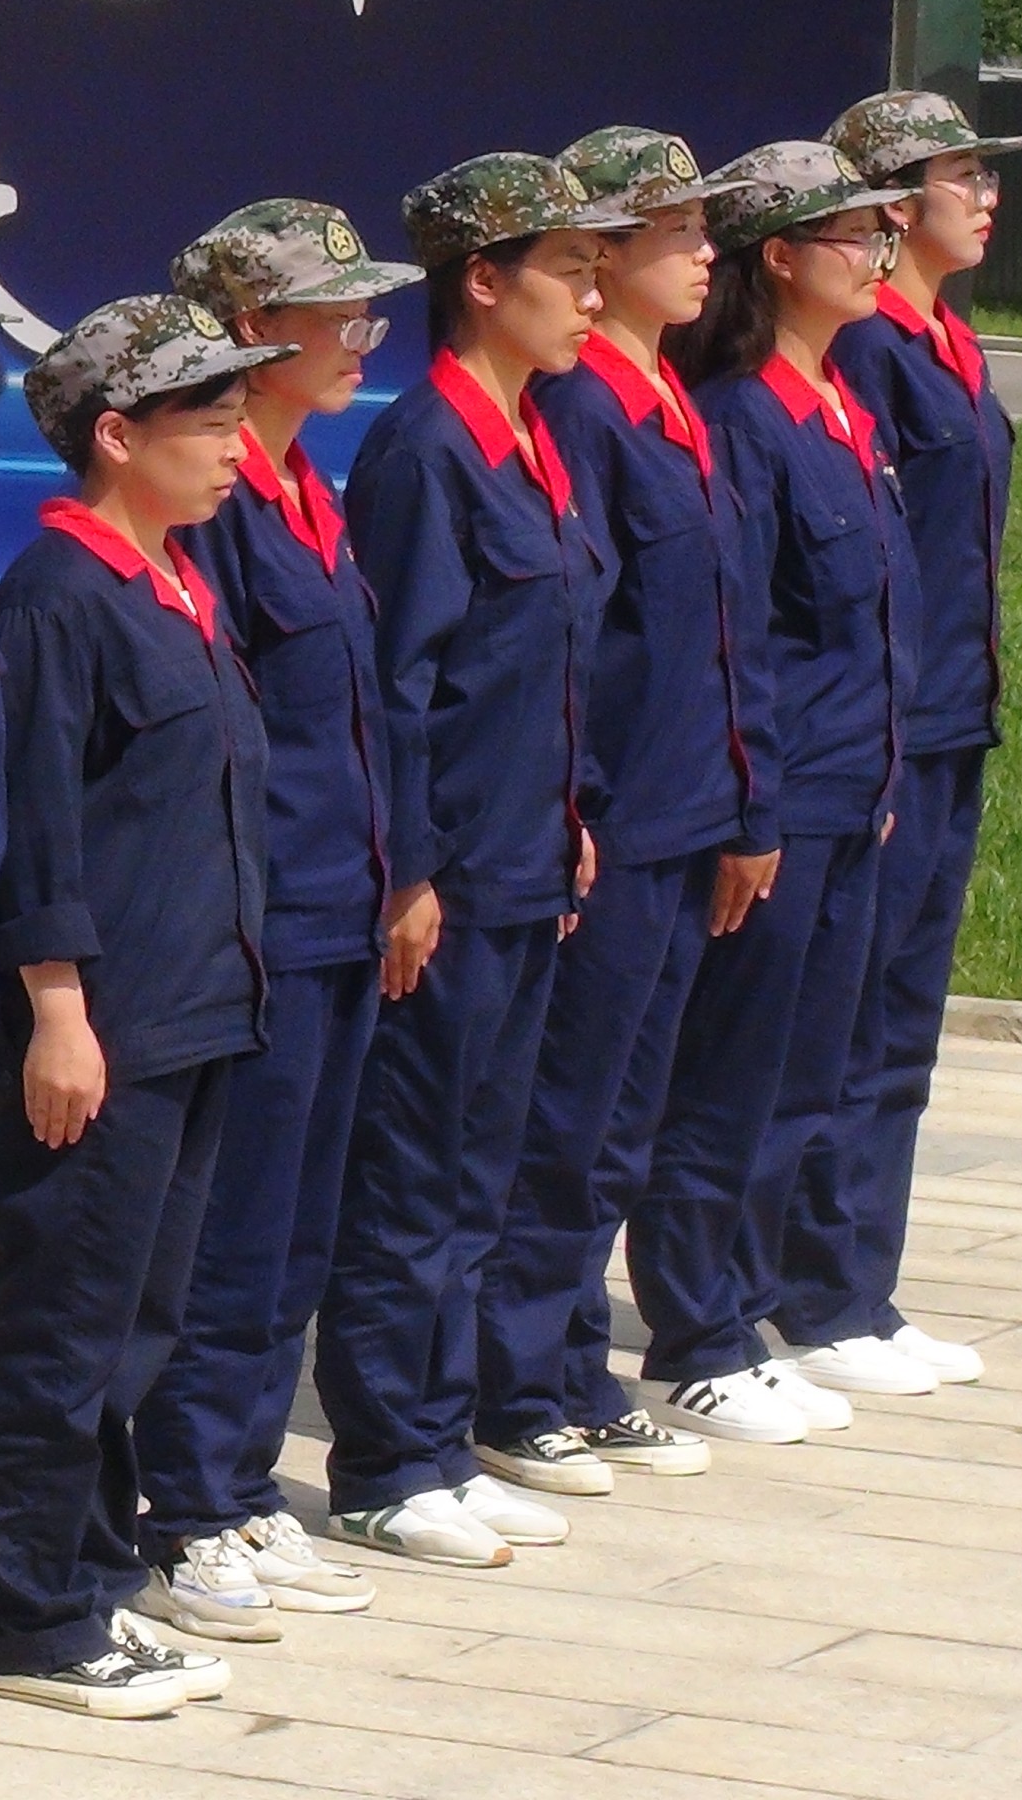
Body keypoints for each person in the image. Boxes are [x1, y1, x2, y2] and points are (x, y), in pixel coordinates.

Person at [0, 295, 278, 1724]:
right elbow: (34, 832)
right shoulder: (56, 601)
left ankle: (91, 1580)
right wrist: (57, 1012)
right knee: (60, 1323)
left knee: (132, 1325)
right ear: (116, 437)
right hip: (105, 1030)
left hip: (193, 1012)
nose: (236, 445)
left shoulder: (172, 583)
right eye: (207, 420)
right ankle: (33, 1616)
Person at [320, 153, 629, 1569]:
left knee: (480, 1164)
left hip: (524, 859)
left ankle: (443, 1436)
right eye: (569, 270)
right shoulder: (428, 448)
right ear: (485, 282)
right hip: (446, 877)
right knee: (414, 1165)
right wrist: (410, 869)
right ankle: (387, 1457)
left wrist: (566, 813)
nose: (593, 295)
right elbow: (402, 683)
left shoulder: (531, 435)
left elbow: (538, 664)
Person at [131, 200, 427, 1639]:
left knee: (298, 1230)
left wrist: (400, 874)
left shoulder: (309, 486)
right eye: (337, 313)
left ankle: (245, 1484)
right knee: (233, 1233)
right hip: (264, 922)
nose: (364, 337)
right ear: (253, 332)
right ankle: (186, 1505)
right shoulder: (222, 504)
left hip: (339, 912)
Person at [466, 132, 767, 1499]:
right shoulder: (585, 409)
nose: (703, 253)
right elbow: (586, 637)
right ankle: (519, 1377)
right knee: (568, 1113)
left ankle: (575, 1364)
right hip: (621, 811)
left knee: (622, 1113)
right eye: (674, 231)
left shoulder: (670, 399)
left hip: (683, 805)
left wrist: (741, 800)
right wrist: (585, 801)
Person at [640, 141, 919, 1441]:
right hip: (786, 794)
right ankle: (696, 1327)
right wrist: (754, 807)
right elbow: (740, 632)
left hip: (855, 788)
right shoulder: (747, 419)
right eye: (852, 235)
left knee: (806, 1071)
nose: (877, 255)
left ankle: (746, 1312)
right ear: (782, 258)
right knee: (733, 1074)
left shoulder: (840, 405)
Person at [790, 88, 1022, 1396]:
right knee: (850, 1017)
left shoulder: (949, 339)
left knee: (902, 1026)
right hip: (883, 726)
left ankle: (861, 1285)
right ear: (887, 201)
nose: (985, 197)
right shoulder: (872, 348)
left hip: (950, 719)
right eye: (959, 176)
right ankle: (822, 1289)